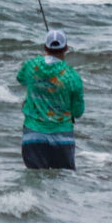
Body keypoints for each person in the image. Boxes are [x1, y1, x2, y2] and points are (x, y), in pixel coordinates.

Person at [17, 29, 84, 170]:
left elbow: (20, 78)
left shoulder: (31, 66)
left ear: (45, 47)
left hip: (32, 137)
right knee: (63, 183)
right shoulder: (72, 76)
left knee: (35, 184)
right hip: (63, 139)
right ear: (65, 48)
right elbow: (78, 112)